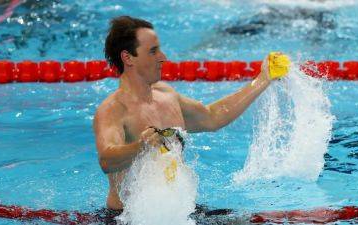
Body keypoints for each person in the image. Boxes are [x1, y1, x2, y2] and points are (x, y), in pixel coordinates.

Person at [93, 15, 287, 222]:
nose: (163, 57)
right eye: (152, 51)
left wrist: (263, 79)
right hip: (129, 217)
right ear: (128, 58)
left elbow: (212, 117)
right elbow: (107, 159)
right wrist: (140, 146)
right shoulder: (113, 109)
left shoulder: (166, 95)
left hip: (179, 211)